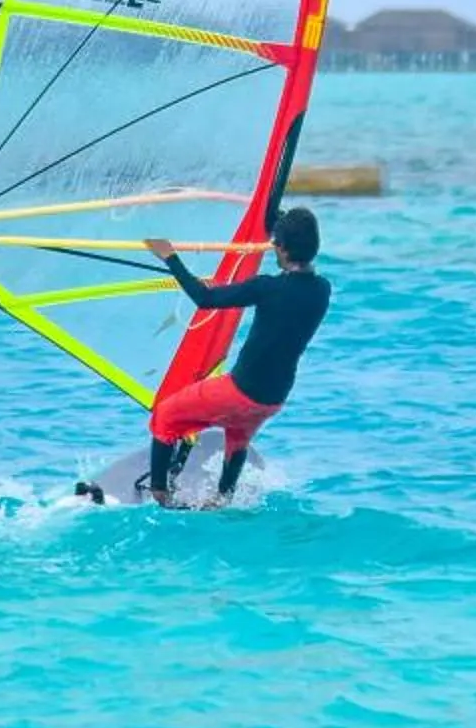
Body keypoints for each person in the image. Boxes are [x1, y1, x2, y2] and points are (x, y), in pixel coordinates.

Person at [132, 205, 331, 507]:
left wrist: (169, 256)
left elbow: (205, 298)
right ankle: (223, 498)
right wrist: (276, 221)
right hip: (273, 399)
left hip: (240, 391)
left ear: (284, 249)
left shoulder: (268, 288)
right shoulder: (322, 290)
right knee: (237, 435)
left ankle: (160, 492)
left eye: (277, 244)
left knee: (165, 415)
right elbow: (293, 264)